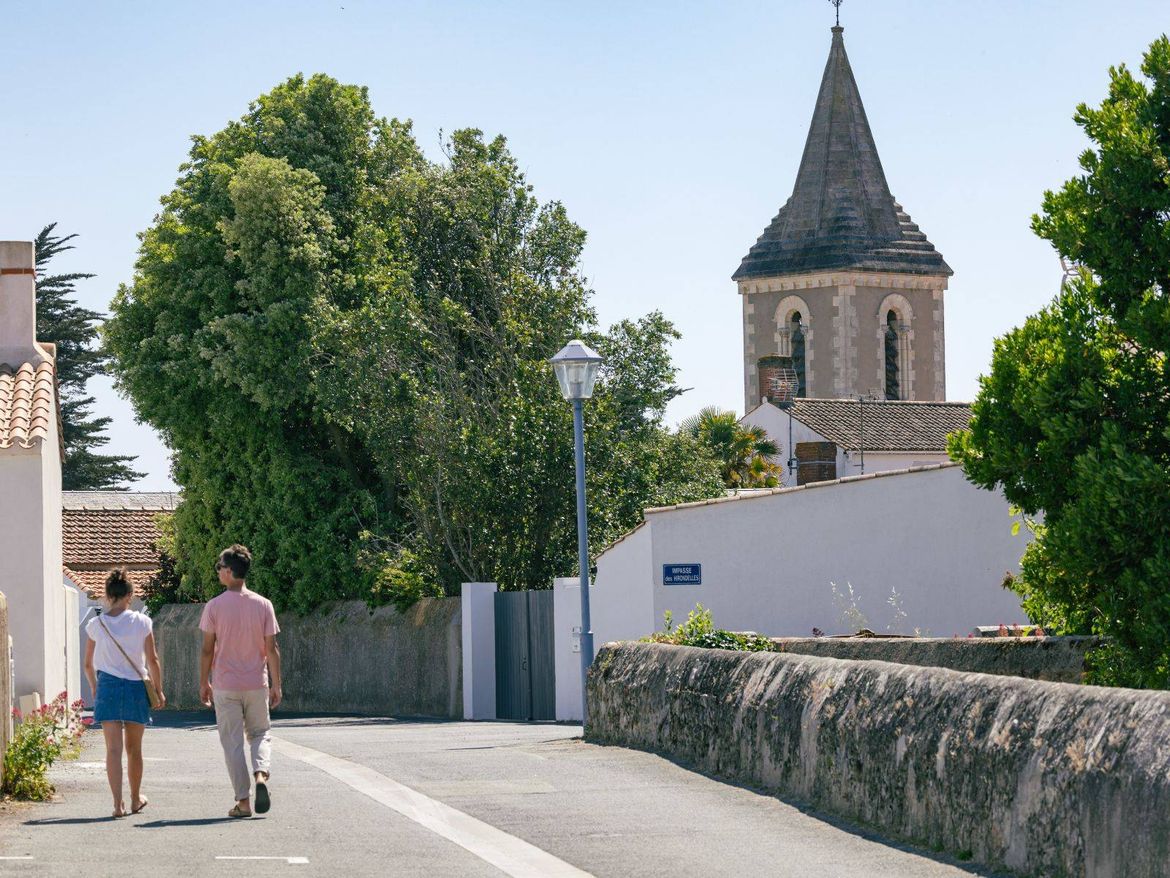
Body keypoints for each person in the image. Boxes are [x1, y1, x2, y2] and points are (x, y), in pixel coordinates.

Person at [199, 544, 282, 818]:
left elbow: (208, 649)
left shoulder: (214, 607)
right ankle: (261, 775)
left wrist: (204, 682)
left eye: (220, 566)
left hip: (225, 684)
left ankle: (243, 802)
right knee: (260, 734)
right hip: (257, 683)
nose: (218, 571)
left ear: (230, 571)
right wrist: (277, 683)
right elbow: (272, 649)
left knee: (232, 743)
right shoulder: (263, 605)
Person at [84, 568, 166, 818]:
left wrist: (95, 687)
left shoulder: (95, 625)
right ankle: (134, 799)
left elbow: (88, 665)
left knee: (112, 750)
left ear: (108, 595)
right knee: (134, 750)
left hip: (107, 685)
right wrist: (159, 690)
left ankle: (117, 804)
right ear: (130, 594)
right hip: (134, 687)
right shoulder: (142, 622)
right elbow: (152, 660)